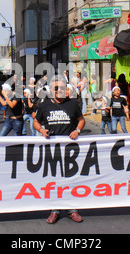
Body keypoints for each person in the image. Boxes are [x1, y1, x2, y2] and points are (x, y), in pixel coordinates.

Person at [34, 75, 85, 224]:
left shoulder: (73, 104)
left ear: (66, 90)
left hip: (70, 150)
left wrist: (77, 131)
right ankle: (54, 210)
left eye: (62, 88)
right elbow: (36, 122)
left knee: (70, 179)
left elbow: (81, 120)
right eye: (56, 88)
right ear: (51, 90)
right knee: (54, 180)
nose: (59, 90)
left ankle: (72, 209)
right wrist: (42, 131)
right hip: (52, 149)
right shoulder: (44, 105)